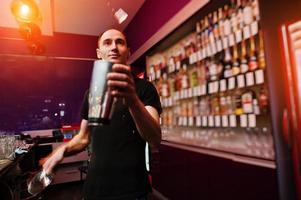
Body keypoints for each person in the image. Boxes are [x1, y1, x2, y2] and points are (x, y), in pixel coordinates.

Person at [41, 29, 162, 200]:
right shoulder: (92, 93)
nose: (114, 47)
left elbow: (155, 138)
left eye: (120, 42)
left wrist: (132, 100)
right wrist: (62, 150)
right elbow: (84, 137)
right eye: (107, 42)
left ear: (128, 52)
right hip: (94, 188)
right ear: (99, 53)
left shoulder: (144, 89)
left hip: (131, 190)